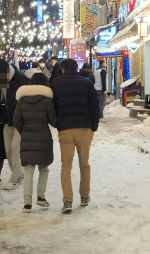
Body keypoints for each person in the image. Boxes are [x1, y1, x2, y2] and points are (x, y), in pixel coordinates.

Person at [51, 58, 99, 214]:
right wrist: (93, 126)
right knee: (84, 164)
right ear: (77, 68)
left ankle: (67, 201)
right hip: (84, 128)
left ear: (63, 70)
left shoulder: (56, 84)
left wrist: (58, 123)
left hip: (65, 128)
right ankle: (84, 196)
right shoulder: (87, 83)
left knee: (66, 166)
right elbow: (94, 106)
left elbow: (52, 107)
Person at [13, 73, 57, 213]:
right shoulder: (47, 101)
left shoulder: (22, 100)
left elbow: (16, 120)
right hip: (44, 138)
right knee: (44, 168)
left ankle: (27, 203)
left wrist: (24, 131)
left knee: (28, 170)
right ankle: (41, 197)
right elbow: (54, 121)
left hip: (27, 138)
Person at [0, 64, 29, 190]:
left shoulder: (23, 81)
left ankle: (14, 179)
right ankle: (18, 174)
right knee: (8, 150)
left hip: (21, 121)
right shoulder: (1, 82)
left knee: (16, 150)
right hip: (7, 120)